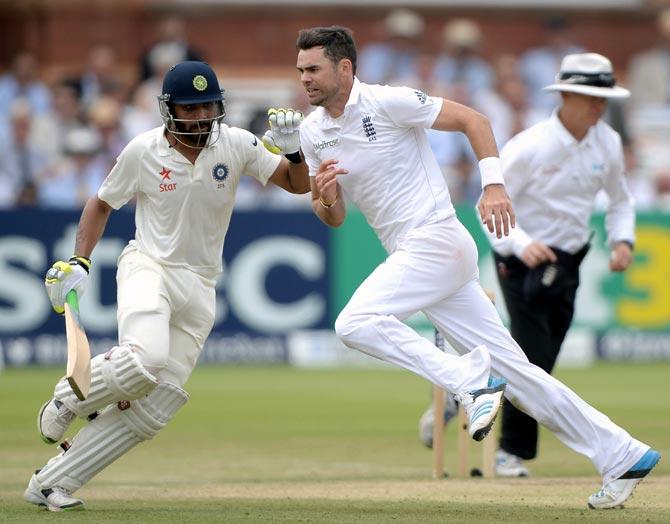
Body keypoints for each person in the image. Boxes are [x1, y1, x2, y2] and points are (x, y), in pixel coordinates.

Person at [291, 26, 659, 510]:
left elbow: (474, 120)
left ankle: (469, 381)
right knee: (522, 378)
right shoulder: (311, 131)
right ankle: (623, 454)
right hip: (418, 254)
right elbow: (334, 217)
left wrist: (493, 187)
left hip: (436, 238)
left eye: (314, 69)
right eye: (300, 71)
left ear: (344, 68)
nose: (305, 80)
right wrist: (324, 199)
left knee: (354, 323)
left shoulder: (388, 101)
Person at [24, 60, 310, 512]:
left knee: (156, 405)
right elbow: (101, 204)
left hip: (201, 285)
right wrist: (80, 258)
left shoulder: (235, 143)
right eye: (190, 108)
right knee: (144, 362)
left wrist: (295, 151)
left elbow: (297, 184)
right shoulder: (143, 150)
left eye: (207, 106)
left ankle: (52, 483)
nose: (199, 117)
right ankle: (66, 400)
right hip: (149, 266)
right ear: (169, 109)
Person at [485, 52, 637, 478]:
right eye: (590, 96)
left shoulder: (607, 142)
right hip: (521, 262)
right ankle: (510, 453)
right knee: (532, 360)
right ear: (566, 95)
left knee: (543, 360)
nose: (599, 105)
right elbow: (489, 208)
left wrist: (622, 240)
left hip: (568, 262)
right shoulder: (529, 146)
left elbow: (621, 200)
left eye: (603, 97)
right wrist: (520, 243)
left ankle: (472, 387)